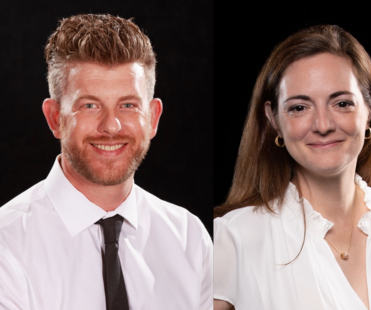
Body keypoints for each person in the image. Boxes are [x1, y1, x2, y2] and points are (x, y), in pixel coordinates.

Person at [0, 14, 212, 309]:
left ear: (152, 118)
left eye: (128, 105)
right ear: (55, 119)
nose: (111, 126)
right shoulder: (6, 244)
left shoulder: (190, 238)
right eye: (89, 105)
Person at [213, 25, 371, 310]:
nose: (323, 125)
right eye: (299, 107)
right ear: (273, 119)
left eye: (342, 103)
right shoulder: (232, 238)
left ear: (369, 111)